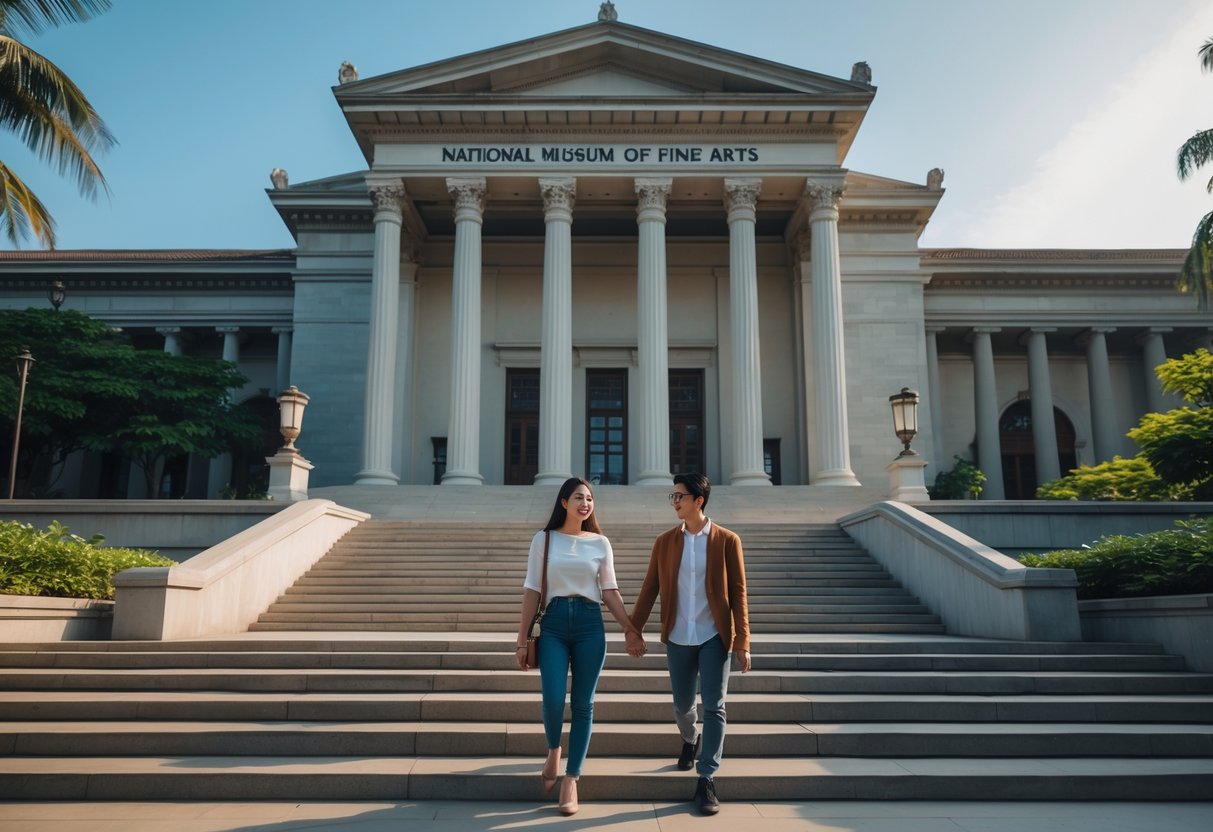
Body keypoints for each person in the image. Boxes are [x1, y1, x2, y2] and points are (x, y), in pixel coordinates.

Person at [515, 476, 647, 815]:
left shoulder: (600, 543)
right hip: (555, 624)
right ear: (564, 503)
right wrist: (520, 639)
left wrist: (630, 629)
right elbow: (532, 590)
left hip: (590, 624)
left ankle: (571, 779)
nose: (585, 503)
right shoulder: (543, 540)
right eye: (578, 497)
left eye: (589, 498)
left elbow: (610, 591)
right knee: (554, 698)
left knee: (584, 704)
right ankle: (554, 750)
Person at [630, 472, 751, 815]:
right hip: (680, 635)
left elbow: (739, 593)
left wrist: (742, 639)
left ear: (698, 500)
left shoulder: (728, 540)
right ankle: (688, 739)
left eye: (679, 496)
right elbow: (650, 588)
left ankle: (707, 777)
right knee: (683, 705)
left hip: (715, 635)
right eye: (673, 497)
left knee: (715, 706)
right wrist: (633, 629)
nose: (675, 502)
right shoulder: (665, 542)